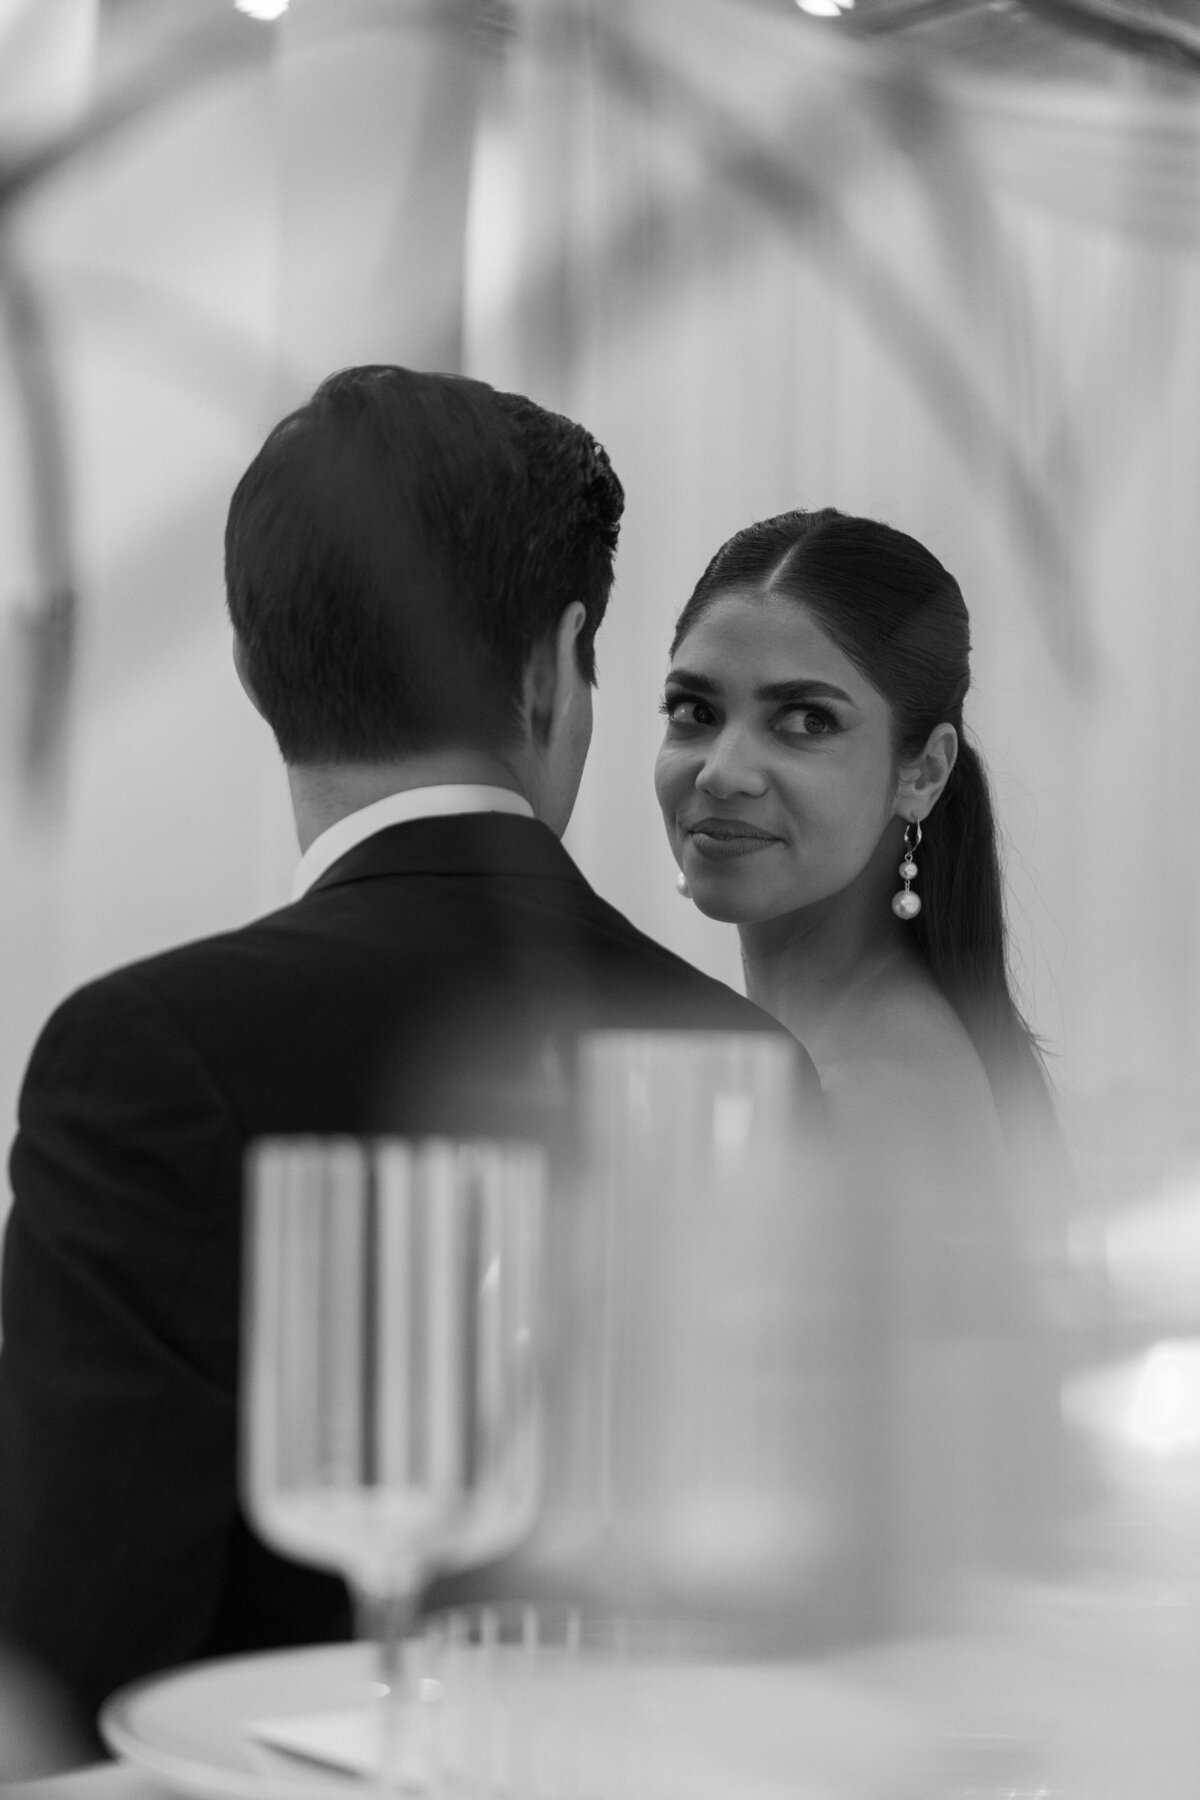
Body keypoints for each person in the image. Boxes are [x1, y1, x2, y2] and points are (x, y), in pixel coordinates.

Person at [0, 366, 815, 1748]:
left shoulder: (145, 1055)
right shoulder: (747, 1064)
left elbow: (60, 1675)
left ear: (260, 666)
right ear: (555, 666)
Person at [655, 506, 1072, 1623]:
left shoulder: (877, 1098)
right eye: (695, 710)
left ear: (921, 772)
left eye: (802, 721)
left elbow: (881, 1557)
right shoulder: (838, 1051)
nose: (725, 769)